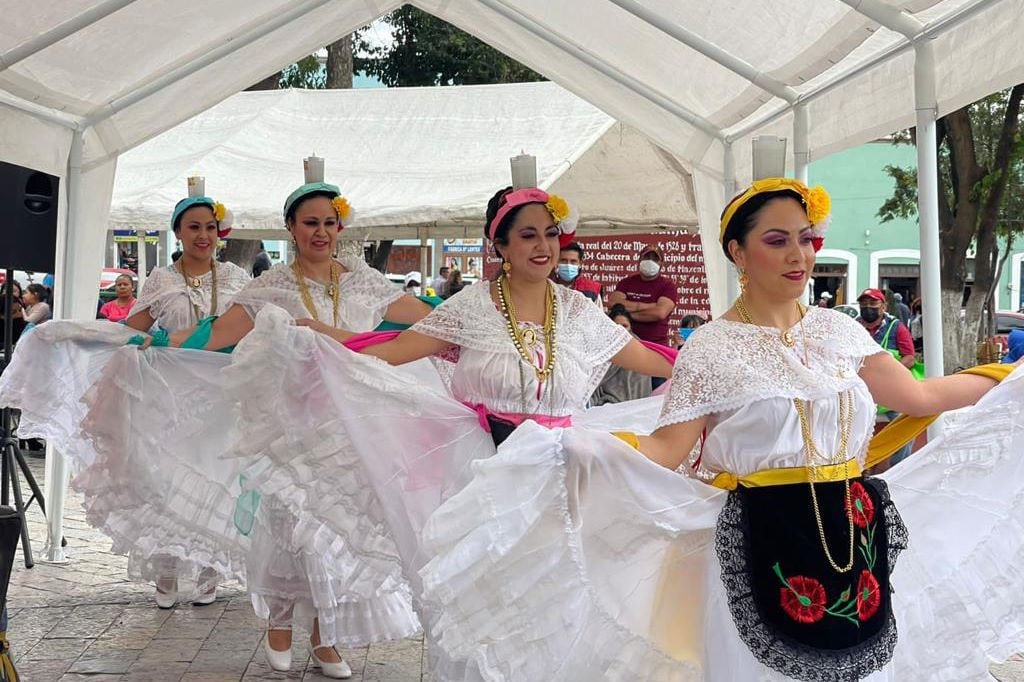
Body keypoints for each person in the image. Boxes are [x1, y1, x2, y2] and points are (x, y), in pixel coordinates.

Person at [396, 177, 1024, 679]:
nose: (799, 254)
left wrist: (1010, 376)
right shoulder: (712, 348)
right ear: (737, 252)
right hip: (759, 541)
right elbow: (668, 450)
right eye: (777, 240)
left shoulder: (840, 331)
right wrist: (578, 447)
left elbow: (919, 394)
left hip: (853, 536)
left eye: (806, 238)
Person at [220, 183, 675, 679]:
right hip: (483, 471)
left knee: (559, 595)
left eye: (550, 234)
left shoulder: (579, 313)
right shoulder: (473, 308)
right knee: (485, 597)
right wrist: (315, 346)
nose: (543, 247)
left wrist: (721, 358)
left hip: (561, 474)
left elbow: (653, 358)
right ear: (499, 245)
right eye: (527, 235)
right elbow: (393, 350)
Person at [148, 172, 433, 677]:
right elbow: (216, 335)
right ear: (290, 228)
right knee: (289, 527)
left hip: (353, 427)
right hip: (290, 428)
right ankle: (279, 622)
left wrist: (491, 310)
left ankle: (327, 640)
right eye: (309, 223)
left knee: (337, 533)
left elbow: (430, 318)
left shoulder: (366, 281)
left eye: (329, 222)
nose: (321, 232)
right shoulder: (272, 285)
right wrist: (156, 345)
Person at [607, 246, 679, 347]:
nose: (650, 261)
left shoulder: (667, 286)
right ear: (639, 260)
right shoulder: (626, 282)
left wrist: (626, 314)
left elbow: (660, 313)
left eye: (655, 259)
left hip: (655, 346)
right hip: (625, 344)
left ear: (661, 263)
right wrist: (651, 306)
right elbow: (613, 303)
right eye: (646, 257)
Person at [590, 305, 653, 405]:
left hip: (636, 403)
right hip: (609, 403)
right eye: (617, 326)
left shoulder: (640, 347)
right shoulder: (603, 347)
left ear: (630, 327)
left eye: (625, 326)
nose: (621, 330)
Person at [856, 288, 915, 370]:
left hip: (887, 378)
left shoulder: (897, 327)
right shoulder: (852, 326)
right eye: (863, 304)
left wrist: (888, 372)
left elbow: (909, 358)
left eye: (873, 303)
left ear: (884, 307)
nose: (867, 306)